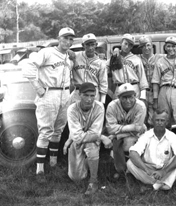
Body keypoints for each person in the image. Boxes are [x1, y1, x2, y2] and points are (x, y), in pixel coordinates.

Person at [23, 27, 75, 182]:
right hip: (49, 93)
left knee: (58, 130)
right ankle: (39, 169)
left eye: (71, 39)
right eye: (65, 38)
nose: (68, 41)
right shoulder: (47, 52)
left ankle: (53, 163)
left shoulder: (69, 58)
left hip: (64, 94)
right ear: (58, 39)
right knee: (45, 131)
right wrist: (37, 87)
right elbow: (28, 66)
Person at [64, 82, 112, 195]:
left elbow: (95, 131)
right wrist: (101, 137)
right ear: (79, 95)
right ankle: (86, 163)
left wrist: (96, 136)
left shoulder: (99, 107)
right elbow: (76, 136)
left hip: (92, 141)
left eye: (92, 95)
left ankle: (93, 181)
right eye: (86, 95)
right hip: (77, 140)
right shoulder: (72, 109)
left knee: (91, 144)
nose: (89, 99)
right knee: (76, 177)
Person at [127, 109, 176, 191]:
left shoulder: (172, 136)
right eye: (157, 120)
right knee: (130, 163)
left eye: (162, 120)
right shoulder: (146, 135)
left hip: (165, 168)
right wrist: (146, 169)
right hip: (148, 168)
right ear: (152, 121)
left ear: (167, 122)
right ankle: (161, 185)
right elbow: (133, 153)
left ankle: (152, 185)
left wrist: (164, 171)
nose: (159, 123)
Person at [106, 83, 147, 176]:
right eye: (124, 97)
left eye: (130, 97)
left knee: (130, 142)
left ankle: (133, 168)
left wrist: (118, 133)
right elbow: (110, 129)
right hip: (120, 135)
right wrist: (130, 128)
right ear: (119, 97)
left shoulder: (141, 106)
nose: (128, 101)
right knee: (117, 144)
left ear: (135, 96)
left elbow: (138, 129)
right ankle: (121, 169)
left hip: (136, 135)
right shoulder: (112, 106)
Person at [106, 33, 148, 100]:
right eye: (125, 43)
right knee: (118, 109)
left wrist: (143, 96)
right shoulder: (113, 58)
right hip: (119, 87)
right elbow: (103, 73)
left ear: (132, 47)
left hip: (133, 87)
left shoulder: (136, 59)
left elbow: (142, 78)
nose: (127, 46)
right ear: (121, 43)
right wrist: (109, 92)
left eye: (130, 45)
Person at [70, 33, 108, 105]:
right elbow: (62, 54)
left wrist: (102, 101)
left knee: (93, 115)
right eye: (87, 45)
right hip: (78, 91)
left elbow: (103, 83)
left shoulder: (100, 63)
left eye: (92, 44)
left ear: (96, 45)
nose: (90, 48)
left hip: (93, 92)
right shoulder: (75, 56)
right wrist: (68, 51)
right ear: (83, 45)